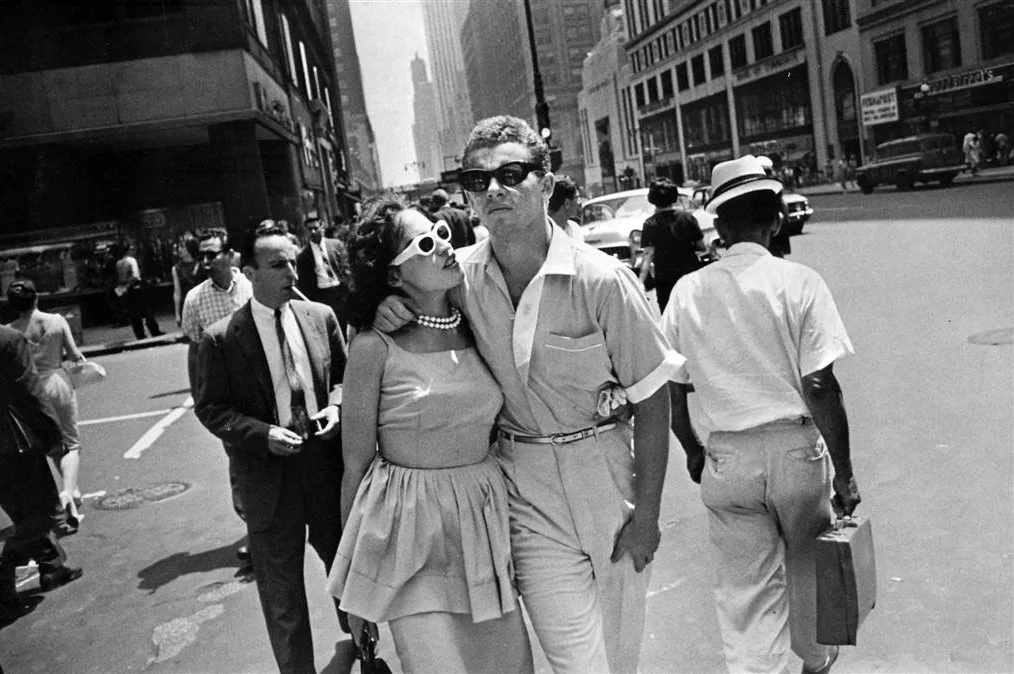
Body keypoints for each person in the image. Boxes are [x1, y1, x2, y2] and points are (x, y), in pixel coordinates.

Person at [377, 115, 682, 673]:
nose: (493, 190)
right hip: (525, 489)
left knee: (620, 657)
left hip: (608, 480)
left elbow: (652, 399)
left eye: (511, 174)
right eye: (477, 180)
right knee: (576, 663)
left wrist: (648, 515)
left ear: (545, 181)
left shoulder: (603, 281)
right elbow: (410, 312)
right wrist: (387, 310)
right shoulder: (459, 281)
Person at [661, 154, 862, 674]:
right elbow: (820, 384)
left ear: (720, 225)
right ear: (776, 220)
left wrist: (694, 451)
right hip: (796, 453)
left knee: (747, 593)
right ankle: (815, 661)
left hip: (728, 454)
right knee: (806, 567)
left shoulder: (687, 292)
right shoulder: (800, 282)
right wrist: (845, 472)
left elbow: (673, 391)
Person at [327, 195, 534, 673]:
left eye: (441, 233)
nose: (444, 245)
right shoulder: (371, 346)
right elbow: (355, 468)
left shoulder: (476, 315)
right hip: (407, 536)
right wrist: (353, 590)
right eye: (424, 242)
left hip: (483, 526)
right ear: (393, 276)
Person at [193, 221, 348, 673]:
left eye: (294, 262)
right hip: (268, 482)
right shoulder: (221, 338)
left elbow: (343, 377)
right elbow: (212, 408)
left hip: (324, 471)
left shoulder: (320, 318)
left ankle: (366, 649)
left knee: (350, 580)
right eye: (278, 265)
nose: (292, 274)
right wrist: (263, 435)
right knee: (284, 602)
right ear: (250, 272)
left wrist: (336, 407)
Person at [180, 228, 254, 570]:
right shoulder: (195, 299)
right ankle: (256, 531)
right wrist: (201, 397)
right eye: (202, 257)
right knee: (240, 462)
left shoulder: (254, 285)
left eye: (212, 254)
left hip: (268, 387)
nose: (206, 262)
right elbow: (195, 353)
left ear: (231, 255)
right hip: (229, 396)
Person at [1, 324, 83, 623]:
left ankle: (52, 565)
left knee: (21, 510)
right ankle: (4, 569)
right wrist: (52, 437)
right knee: (45, 511)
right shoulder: (8, 339)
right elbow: (29, 391)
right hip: (11, 443)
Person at [5, 280, 88, 534]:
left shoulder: (10, 331)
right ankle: (68, 493)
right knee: (70, 443)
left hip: (30, 390)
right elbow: (74, 355)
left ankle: (71, 488)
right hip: (57, 381)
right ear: (37, 297)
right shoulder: (56, 321)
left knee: (49, 441)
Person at [637, 177, 707, 313]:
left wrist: (640, 281)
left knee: (668, 318)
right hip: (689, 275)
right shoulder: (688, 218)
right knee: (693, 314)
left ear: (652, 199)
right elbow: (701, 246)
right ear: (674, 197)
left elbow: (648, 254)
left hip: (664, 279)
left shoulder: (650, 223)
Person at [296, 213, 350, 336]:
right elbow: (304, 284)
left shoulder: (336, 244)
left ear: (322, 226)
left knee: (347, 325)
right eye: (310, 229)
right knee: (332, 329)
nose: (313, 232)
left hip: (340, 292)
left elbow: (346, 267)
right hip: (323, 296)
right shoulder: (303, 256)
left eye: (316, 228)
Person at [114, 242, 163, 339]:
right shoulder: (132, 260)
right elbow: (136, 275)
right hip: (136, 288)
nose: (134, 251)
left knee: (133, 314)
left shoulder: (119, 263)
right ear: (128, 250)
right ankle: (154, 331)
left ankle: (140, 334)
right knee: (146, 311)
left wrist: (125, 287)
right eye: (132, 249)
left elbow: (119, 277)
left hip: (125, 290)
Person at [172, 235, 203, 328]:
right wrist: (177, 314)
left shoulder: (201, 264)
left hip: (202, 303)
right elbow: (177, 292)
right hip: (187, 306)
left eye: (182, 247)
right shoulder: (176, 268)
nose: (179, 250)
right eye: (179, 247)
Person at [547, 174, 584, 240]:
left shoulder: (575, 228)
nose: (580, 203)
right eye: (577, 198)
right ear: (567, 203)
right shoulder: (546, 233)